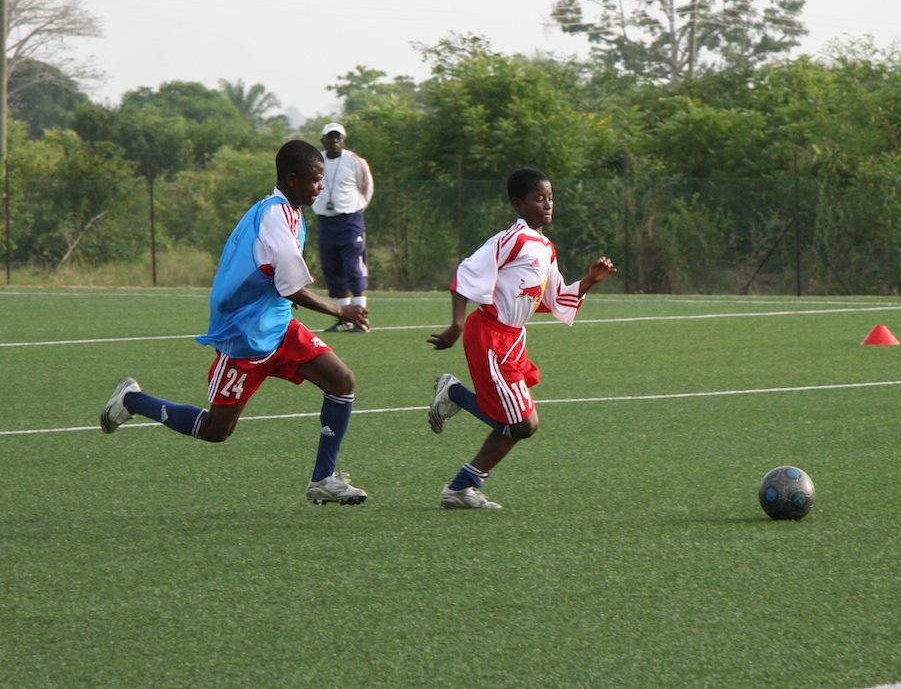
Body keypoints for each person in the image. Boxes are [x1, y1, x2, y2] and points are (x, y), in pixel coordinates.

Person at [100, 140, 371, 506]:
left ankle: (323, 479)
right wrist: (342, 310)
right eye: (315, 179)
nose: (321, 186)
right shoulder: (275, 216)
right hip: (245, 336)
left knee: (342, 381)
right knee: (216, 431)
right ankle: (133, 400)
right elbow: (289, 286)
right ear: (293, 180)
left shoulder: (287, 209)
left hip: (278, 327)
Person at [426, 167, 616, 510]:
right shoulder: (511, 239)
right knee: (522, 423)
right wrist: (455, 325)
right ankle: (454, 399)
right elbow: (467, 271)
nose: (547, 205)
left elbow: (554, 297)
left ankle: (461, 487)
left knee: (519, 424)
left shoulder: (545, 248)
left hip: (512, 340)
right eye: (538, 198)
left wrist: (590, 280)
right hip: (489, 335)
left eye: (550, 198)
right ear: (518, 203)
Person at [311, 122, 374, 333]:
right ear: (323, 140)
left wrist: (358, 207)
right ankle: (344, 316)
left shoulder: (355, 160)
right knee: (332, 266)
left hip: (349, 219)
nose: (334, 141)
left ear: (344, 141)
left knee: (353, 264)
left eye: (338, 138)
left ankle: (361, 318)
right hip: (326, 219)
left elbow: (366, 186)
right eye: (330, 137)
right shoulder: (315, 160)